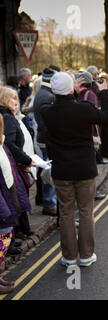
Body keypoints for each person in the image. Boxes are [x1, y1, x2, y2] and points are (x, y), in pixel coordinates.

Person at [41, 72, 108, 267]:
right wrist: (104, 93)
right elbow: (106, 117)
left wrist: (69, 90)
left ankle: (69, 257)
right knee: (86, 213)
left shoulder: (47, 111)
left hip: (62, 170)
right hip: (84, 170)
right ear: (71, 88)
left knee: (66, 214)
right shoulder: (84, 109)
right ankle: (86, 256)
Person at [0, 114, 32, 293]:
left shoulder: (2, 144)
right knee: (4, 235)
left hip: (7, 194)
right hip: (2, 199)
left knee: (6, 234)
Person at [0, 87, 34, 240]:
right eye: (13, 98)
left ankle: (18, 233)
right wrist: (26, 159)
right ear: (6, 100)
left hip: (13, 163)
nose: (16, 102)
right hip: (12, 165)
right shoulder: (7, 118)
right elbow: (10, 144)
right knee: (14, 199)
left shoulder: (8, 115)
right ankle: (14, 236)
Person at [33, 68, 58, 215]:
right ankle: (49, 204)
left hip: (43, 139)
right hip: (46, 140)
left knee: (47, 171)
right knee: (49, 172)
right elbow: (46, 123)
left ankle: (48, 201)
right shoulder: (48, 96)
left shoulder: (42, 93)